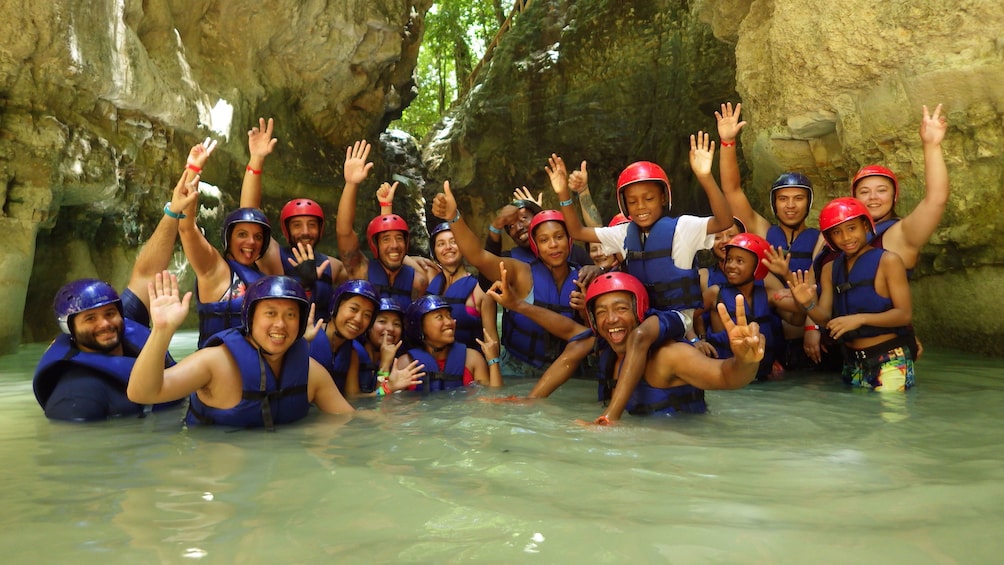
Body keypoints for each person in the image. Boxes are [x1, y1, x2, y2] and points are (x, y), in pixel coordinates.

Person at [33, 142, 216, 421]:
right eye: (89, 319)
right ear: (69, 328)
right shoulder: (76, 396)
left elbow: (146, 273)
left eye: (109, 313)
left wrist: (177, 203)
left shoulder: (123, 326)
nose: (104, 323)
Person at [487, 268, 763, 422]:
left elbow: (727, 377)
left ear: (639, 311)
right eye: (602, 312)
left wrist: (745, 362)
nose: (612, 320)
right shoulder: (606, 350)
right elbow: (568, 329)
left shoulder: (669, 356)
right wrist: (517, 305)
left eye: (621, 308)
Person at [128, 273, 359, 428]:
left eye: (290, 315)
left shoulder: (311, 373)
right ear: (250, 318)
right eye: (270, 313)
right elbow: (143, 394)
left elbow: (350, 421)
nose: (280, 324)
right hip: (216, 484)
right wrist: (162, 331)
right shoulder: (214, 363)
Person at [432, 180, 582, 380]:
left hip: (569, 368)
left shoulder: (582, 274)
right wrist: (454, 217)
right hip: (517, 367)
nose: (553, 245)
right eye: (544, 240)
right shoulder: (521, 270)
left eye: (558, 237)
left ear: (569, 240)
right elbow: (478, 256)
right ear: (535, 244)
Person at [716, 102, 821, 370]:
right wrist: (727, 143)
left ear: (808, 204)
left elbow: (821, 290)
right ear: (774, 204)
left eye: (798, 199)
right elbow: (732, 190)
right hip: (773, 327)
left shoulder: (822, 239)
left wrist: (811, 326)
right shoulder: (762, 230)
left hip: (808, 326)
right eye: (783, 199)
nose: (790, 205)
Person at [788, 198, 914, 391]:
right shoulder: (830, 269)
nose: (846, 238)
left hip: (889, 359)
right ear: (830, 238)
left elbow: (904, 314)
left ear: (865, 225)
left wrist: (860, 319)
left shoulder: (888, 261)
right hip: (851, 363)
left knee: (892, 418)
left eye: (852, 228)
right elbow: (826, 320)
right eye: (837, 232)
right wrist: (808, 304)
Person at [237, 118, 348, 321]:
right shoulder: (274, 257)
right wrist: (257, 160)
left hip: (322, 343)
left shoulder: (335, 267)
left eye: (311, 225)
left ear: (321, 229)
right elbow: (249, 215)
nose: (305, 231)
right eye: (297, 225)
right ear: (287, 230)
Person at [335, 141, 428, 311]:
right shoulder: (360, 270)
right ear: (375, 245)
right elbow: (344, 232)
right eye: (386, 240)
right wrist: (351, 184)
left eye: (399, 238)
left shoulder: (418, 280)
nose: (394, 245)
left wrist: (386, 207)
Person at [700, 233, 804, 380]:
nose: (730, 265)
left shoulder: (768, 295)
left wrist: (786, 275)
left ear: (757, 266)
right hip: (726, 376)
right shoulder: (714, 293)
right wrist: (698, 340)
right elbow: (690, 315)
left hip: (761, 377)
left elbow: (798, 316)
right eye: (729, 260)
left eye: (739, 261)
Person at [396, 295, 503, 391]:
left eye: (449, 316)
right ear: (420, 327)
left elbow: (492, 402)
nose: (450, 322)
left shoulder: (473, 359)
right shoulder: (405, 364)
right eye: (439, 317)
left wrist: (493, 361)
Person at [425, 221, 499, 351]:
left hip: (470, 365)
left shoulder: (480, 290)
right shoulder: (430, 279)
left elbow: (492, 341)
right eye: (441, 244)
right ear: (434, 252)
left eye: (454, 241)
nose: (448, 247)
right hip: (436, 365)